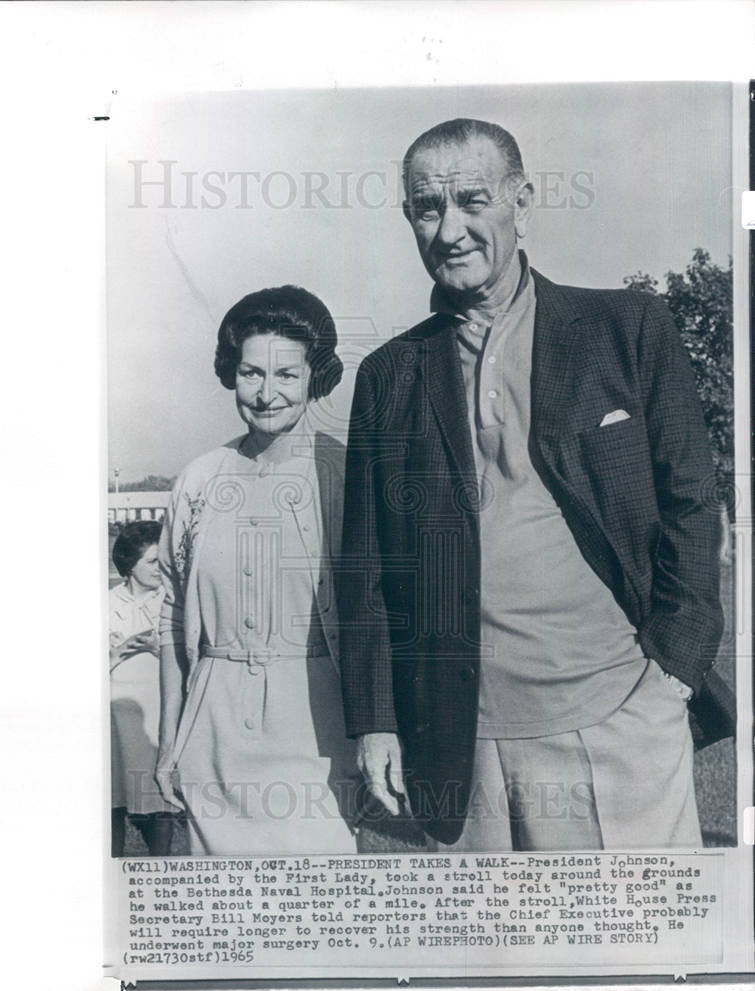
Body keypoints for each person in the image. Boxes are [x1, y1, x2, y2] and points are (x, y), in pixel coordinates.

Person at [339, 118, 734, 851]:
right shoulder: (389, 376)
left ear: (520, 203)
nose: (449, 229)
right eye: (427, 208)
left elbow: (690, 502)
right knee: (499, 957)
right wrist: (375, 720)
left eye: (471, 200)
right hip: (462, 739)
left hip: (620, 717)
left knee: (636, 951)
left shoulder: (626, 327)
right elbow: (365, 570)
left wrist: (672, 672)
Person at [155, 285, 359, 855]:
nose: (267, 394)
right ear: (231, 374)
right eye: (251, 374)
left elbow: (378, 613)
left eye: (287, 376)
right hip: (212, 732)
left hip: (318, 731)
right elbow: (173, 618)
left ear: (315, 377)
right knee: (223, 927)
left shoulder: (342, 473)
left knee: (319, 919)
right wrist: (170, 739)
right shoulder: (198, 480)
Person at [110, 520, 179, 855]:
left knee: (157, 795)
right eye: (152, 562)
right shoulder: (107, 604)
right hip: (114, 718)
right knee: (112, 796)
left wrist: (158, 649)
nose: (159, 569)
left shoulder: (172, 603)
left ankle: (160, 868)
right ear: (130, 564)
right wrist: (116, 652)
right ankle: (111, 867)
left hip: (156, 713)